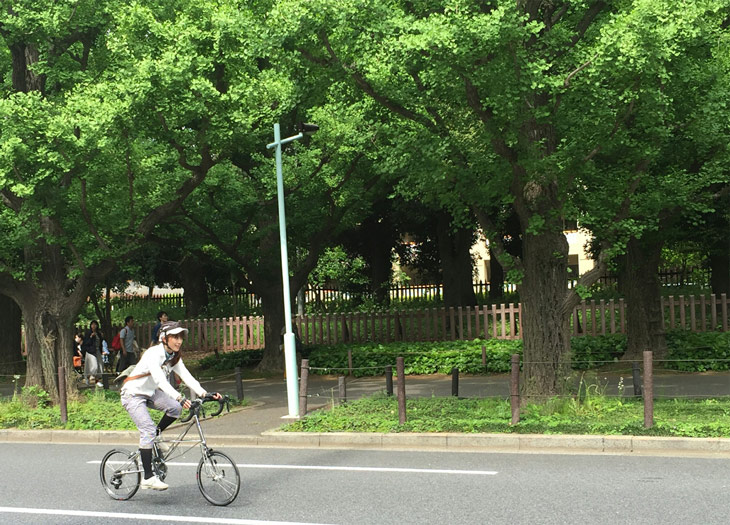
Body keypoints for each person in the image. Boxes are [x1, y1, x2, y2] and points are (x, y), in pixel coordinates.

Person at [120, 320, 221, 491]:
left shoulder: (173, 356)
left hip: (150, 392)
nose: (179, 341)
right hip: (133, 394)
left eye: (180, 337)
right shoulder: (154, 354)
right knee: (148, 430)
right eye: (175, 337)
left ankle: (156, 437)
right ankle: (148, 477)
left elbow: (187, 376)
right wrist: (179, 396)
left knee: (175, 408)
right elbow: (160, 380)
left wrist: (205, 393)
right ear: (164, 338)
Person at [81, 320, 105, 387]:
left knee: (100, 366)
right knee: (94, 366)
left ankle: (97, 380)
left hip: (97, 351)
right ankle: (88, 377)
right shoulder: (88, 333)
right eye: (92, 324)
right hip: (90, 351)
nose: (94, 326)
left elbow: (100, 343)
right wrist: (91, 337)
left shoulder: (99, 333)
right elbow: (86, 343)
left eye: (95, 324)